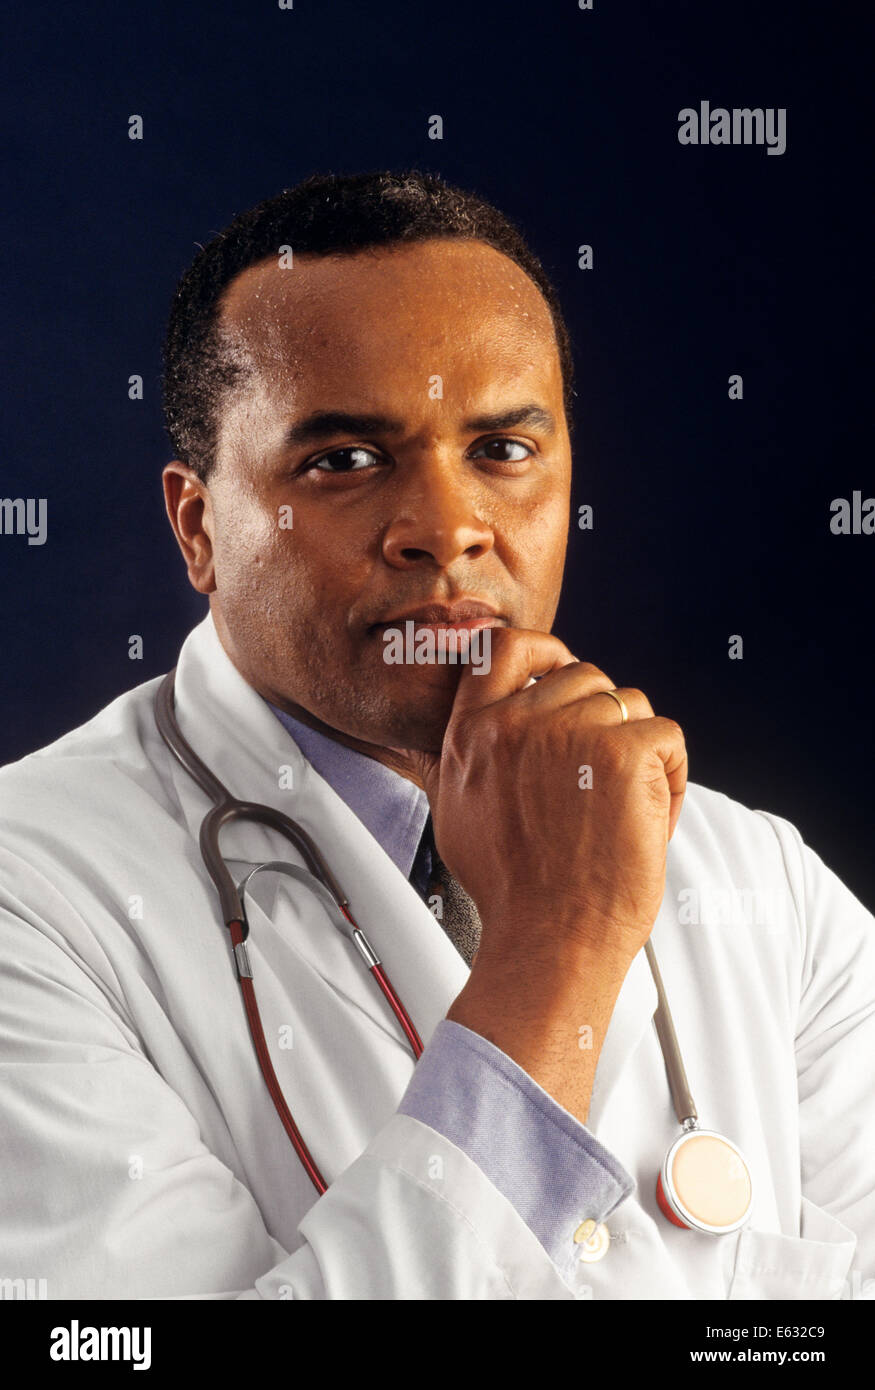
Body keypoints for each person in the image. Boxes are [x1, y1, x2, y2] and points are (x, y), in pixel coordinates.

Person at [0, 170, 872, 1301]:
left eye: (502, 450)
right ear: (198, 525)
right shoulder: (34, 899)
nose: (448, 529)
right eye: (344, 461)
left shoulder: (764, 888)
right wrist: (557, 948)